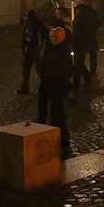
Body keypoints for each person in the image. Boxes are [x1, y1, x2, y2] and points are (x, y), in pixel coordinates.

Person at [36, 25, 72, 156]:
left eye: (55, 37)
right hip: (45, 83)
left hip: (57, 87)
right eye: (51, 36)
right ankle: (39, 136)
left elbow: (63, 73)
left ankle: (64, 142)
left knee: (57, 116)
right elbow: (42, 62)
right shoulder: (49, 48)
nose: (53, 39)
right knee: (41, 112)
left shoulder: (65, 52)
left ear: (62, 37)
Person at [18, 1, 46, 95]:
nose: (24, 18)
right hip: (27, 50)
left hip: (35, 51)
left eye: (26, 16)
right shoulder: (27, 26)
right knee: (25, 70)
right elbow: (25, 37)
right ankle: (24, 87)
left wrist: (38, 48)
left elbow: (42, 36)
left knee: (40, 70)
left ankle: (46, 86)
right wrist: (24, 46)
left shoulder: (36, 26)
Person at [71, 3, 99, 87]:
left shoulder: (86, 20)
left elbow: (86, 33)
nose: (76, 12)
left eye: (78, 10)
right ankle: (87, 76)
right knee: (79, 63)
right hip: (77, 44)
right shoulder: (78, 19)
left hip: (82, 44)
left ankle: (77, 81)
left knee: (78, 63)